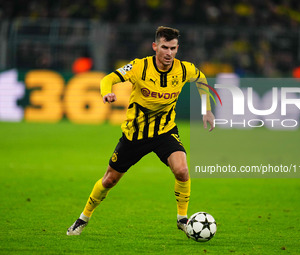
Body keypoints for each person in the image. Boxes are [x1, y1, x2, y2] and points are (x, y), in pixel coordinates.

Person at [67, 26, 215, 236]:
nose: (169, 53)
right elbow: (107, 79)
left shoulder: (184, 69)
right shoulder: (139, 67)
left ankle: (182, 218)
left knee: (182, 171)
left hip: (165, 132)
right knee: (109, 180)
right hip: (134, 135)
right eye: (164, 47)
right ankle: (83, 218)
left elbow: (201, 80)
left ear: (177, 48)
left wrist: (206, 110)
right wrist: (106, 93)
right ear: (155, 46)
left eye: (173, 48)